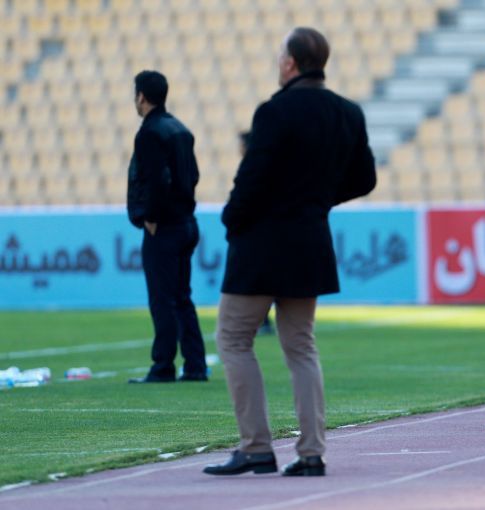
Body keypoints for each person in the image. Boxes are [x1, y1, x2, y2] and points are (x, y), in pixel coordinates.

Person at [203, 27, 375, 477]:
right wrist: (315, 202)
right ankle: (312, 452)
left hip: (261, 243)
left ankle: (256, 447)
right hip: (310, 240)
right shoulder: (347, 111)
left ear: (290, 63)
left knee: (233, 339)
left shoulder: (275, 111)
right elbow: (365, 179)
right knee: (301, 347)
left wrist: (232, 219)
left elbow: (252, 177)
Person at [127, 70, 208, 383]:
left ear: (142, 96)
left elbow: (157, 180)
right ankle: (195, 365)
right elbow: (194, 175)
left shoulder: (149, 133)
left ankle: (163, 366)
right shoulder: (180, 129)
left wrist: (151, 216)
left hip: (165, 227)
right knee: (182, 297)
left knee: (162, 298)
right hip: (187, 223)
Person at [238, 130, 273, 336]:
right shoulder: (264, 166)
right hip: (263, 232)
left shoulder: (254, 169)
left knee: (260, 281)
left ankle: (262, 321)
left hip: (258, 234)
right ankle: (263, 320)